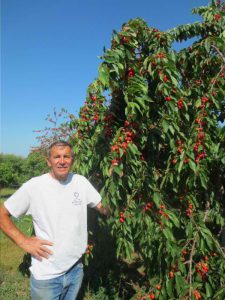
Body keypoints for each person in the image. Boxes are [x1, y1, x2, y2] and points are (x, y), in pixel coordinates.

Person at [0, 140, 110, 300]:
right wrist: (24, 242)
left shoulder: (80, 182)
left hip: (76, 268)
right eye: (57, 156)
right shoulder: (34, 186)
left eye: (66, 156)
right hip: (47, 275)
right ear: (48, 161)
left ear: (72, 159)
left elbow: (103, 208)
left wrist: (118, 186)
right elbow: (2, 214)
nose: (62, 161)